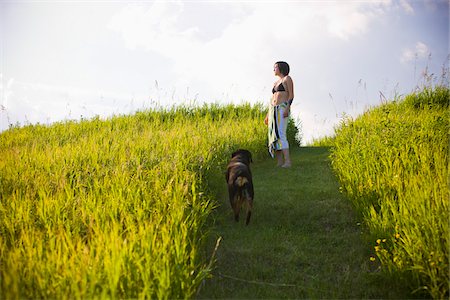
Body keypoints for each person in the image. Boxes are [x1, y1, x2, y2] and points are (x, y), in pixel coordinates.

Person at [264, 61, 294, 168]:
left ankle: (288, 162)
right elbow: (272, 99)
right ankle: (280, 162)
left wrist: (287, 108)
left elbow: (291, 95)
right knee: (274, 135)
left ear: (280, 68)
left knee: (281, 134)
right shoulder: (275, 83)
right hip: (273, 110)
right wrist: (268, 115)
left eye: (275, 67)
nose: (273, 69)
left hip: (282, 108)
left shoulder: (287, 79)